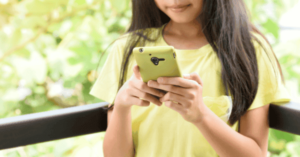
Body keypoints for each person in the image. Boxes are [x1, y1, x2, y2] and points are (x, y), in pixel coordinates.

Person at [90, 0, 292, 156]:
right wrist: (122, 106)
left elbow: (255, 154)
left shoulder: (250, 51)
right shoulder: (126, 49)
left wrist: (201, 115)